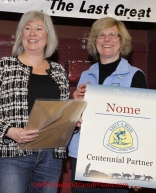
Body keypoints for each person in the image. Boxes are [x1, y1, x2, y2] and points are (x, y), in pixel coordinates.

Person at [68, 17, 146, 193]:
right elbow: (76, 119)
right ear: (94, 41)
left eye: (113, 35)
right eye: (101, 35)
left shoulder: (135, 75)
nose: (106, 39)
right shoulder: (85, 76)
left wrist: (140, 167)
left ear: (122, 41)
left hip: (118, 159)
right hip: (83, 156)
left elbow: (142, 125)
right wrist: (75, 108)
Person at [0, 10, 69, 193]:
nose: (32, 33)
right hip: (13, 153)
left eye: (39, 28)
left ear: (48, 35)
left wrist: (73, 121)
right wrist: (7, 130)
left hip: (51, 156)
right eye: (27, 28)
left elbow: (62, 112)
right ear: (21, 33)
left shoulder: (59, 71)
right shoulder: (4, 66)